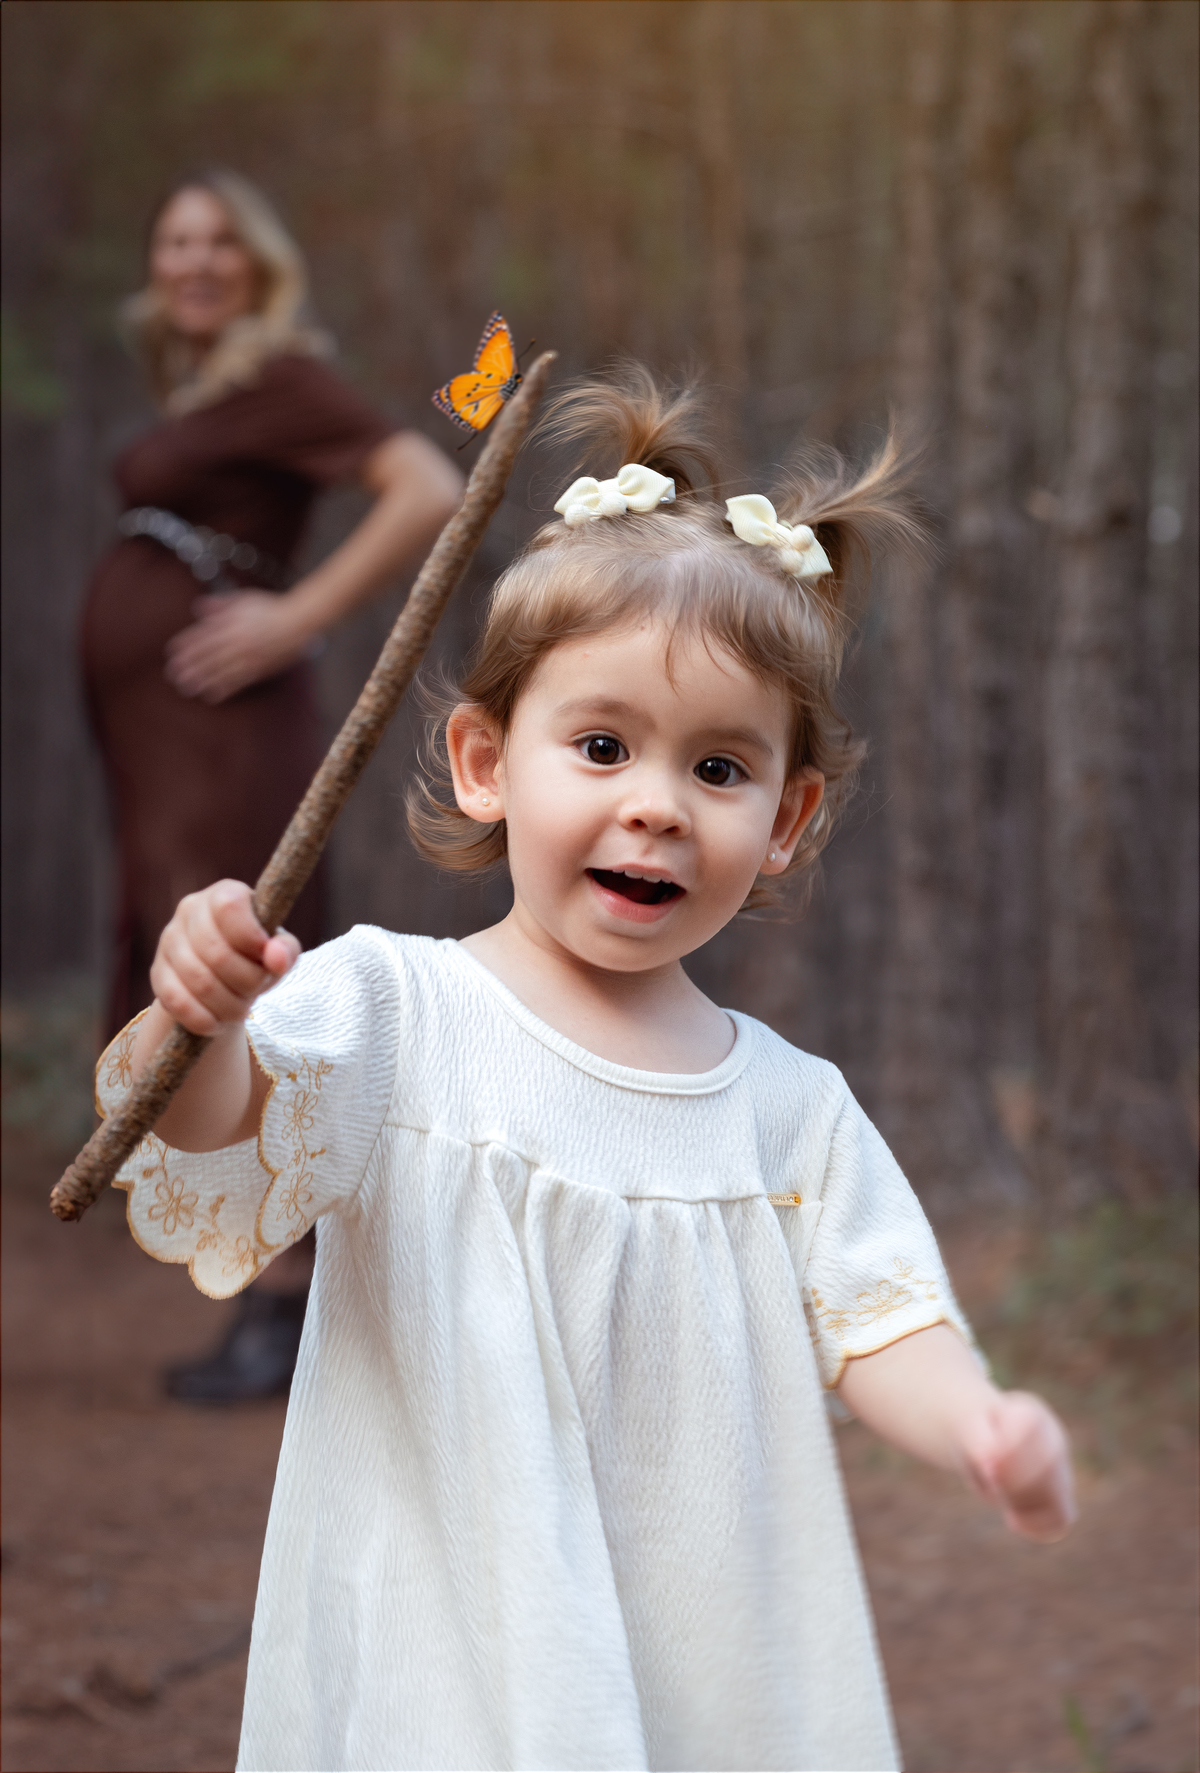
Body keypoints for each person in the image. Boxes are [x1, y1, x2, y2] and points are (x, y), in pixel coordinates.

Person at [96, 369, 1074, 1772]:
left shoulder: (789, 1111)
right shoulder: (397, 1010)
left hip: (702, 1661)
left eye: (720, 769)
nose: (656, 805)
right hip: (454, 1659)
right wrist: (204, 1018)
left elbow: (881, 1316)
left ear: (788, 817)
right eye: (603, 746)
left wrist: (979, 1420)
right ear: (487, 762)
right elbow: (218, 1132)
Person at [80, 168, 463, 1401]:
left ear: (257, 264)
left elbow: (427, 485)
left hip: (229, 741)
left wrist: (295, 616)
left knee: (248, 989)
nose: (195, 262)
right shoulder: (211, 390)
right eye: (174, 241)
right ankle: (266, 1294)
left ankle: (291, 1300)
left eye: (219, 243)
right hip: (170, 749)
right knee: (194, 978)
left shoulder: (284, 377)